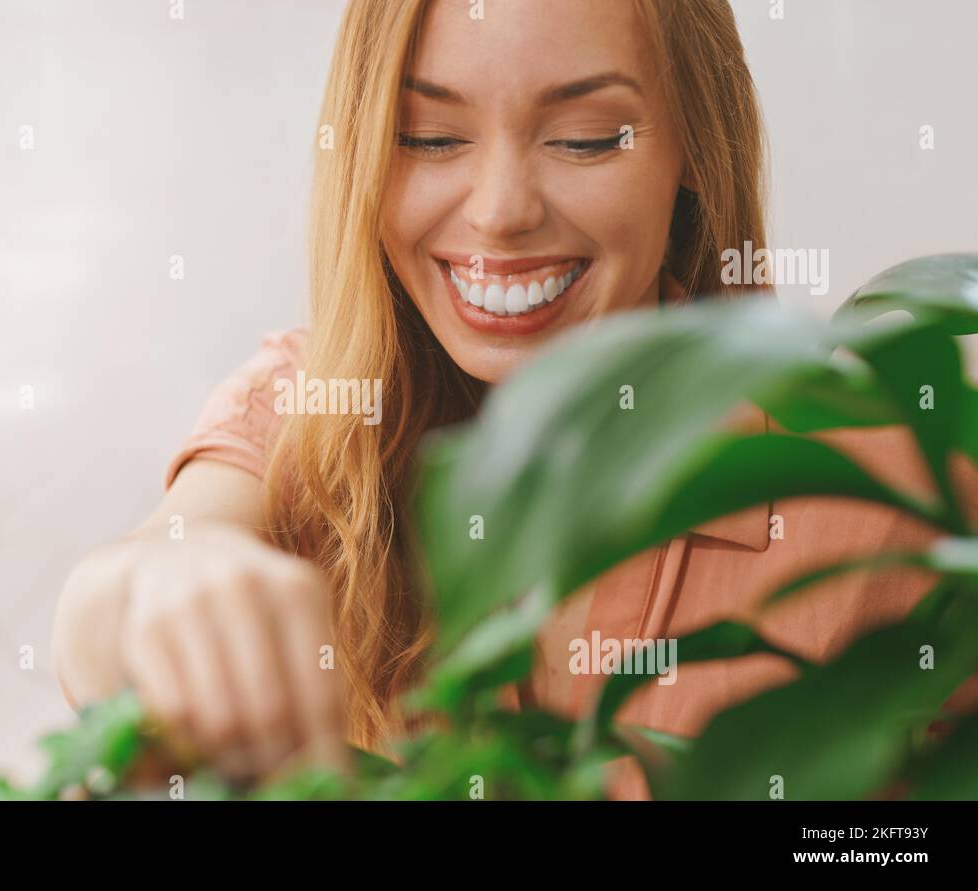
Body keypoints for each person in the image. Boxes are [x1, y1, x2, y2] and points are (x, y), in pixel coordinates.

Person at [51, 0, 976, 799]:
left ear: (694, 148)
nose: (499, 211)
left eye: (582, 139)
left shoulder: (894, 475)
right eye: (428, 137)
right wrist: (161, 587)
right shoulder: (311, 408)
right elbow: (113, 603)